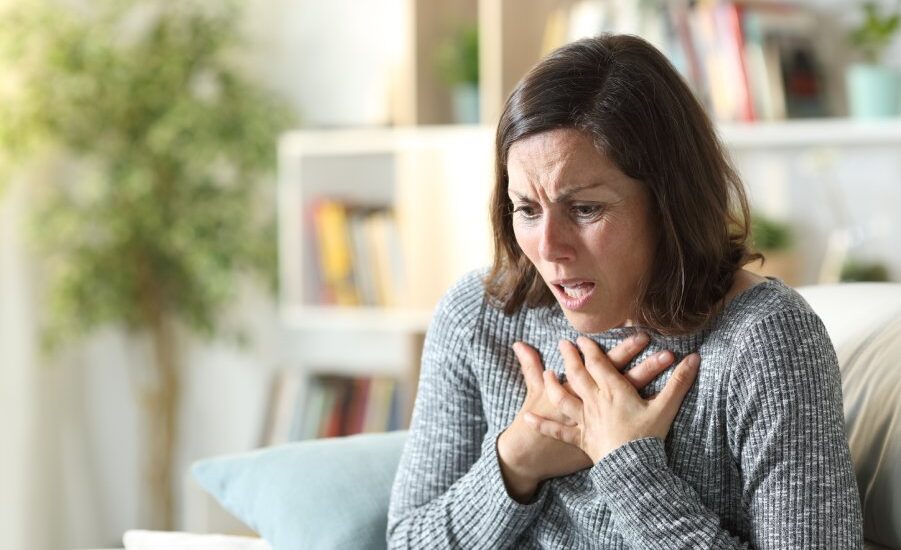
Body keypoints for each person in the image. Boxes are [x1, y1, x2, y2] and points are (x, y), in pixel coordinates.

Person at [387, 34, 862, 549]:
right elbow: (407, 541)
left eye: (585, 209)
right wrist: (517, 460)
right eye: (527, 209)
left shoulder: (767, 341)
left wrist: (628, 467)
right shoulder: (480, 315)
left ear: (669, 202)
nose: (549, 248)